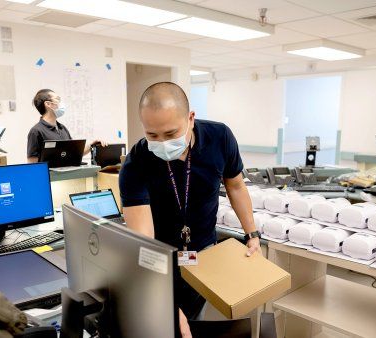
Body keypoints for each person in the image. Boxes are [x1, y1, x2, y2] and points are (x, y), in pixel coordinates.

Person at [119, 82, 260, 337]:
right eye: (152, 135)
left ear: (191, 118)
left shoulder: (220, 138)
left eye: (171, 134)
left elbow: (236, 186)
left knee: (192, 324)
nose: (162, 143)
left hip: (203, 250)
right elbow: (143, 243)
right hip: (159, 255)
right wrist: (164, 302)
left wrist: (252, 234)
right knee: (163, 323)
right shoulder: (136, 163)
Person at [27, 89, 104, 162]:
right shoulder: (36, 131)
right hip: (50, 176)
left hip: (67, 175)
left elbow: (74, 152)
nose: (61, 103)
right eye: (57, 99)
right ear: (48, 104)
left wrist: (92, 145)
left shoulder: (62, 128)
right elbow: (32, 163)